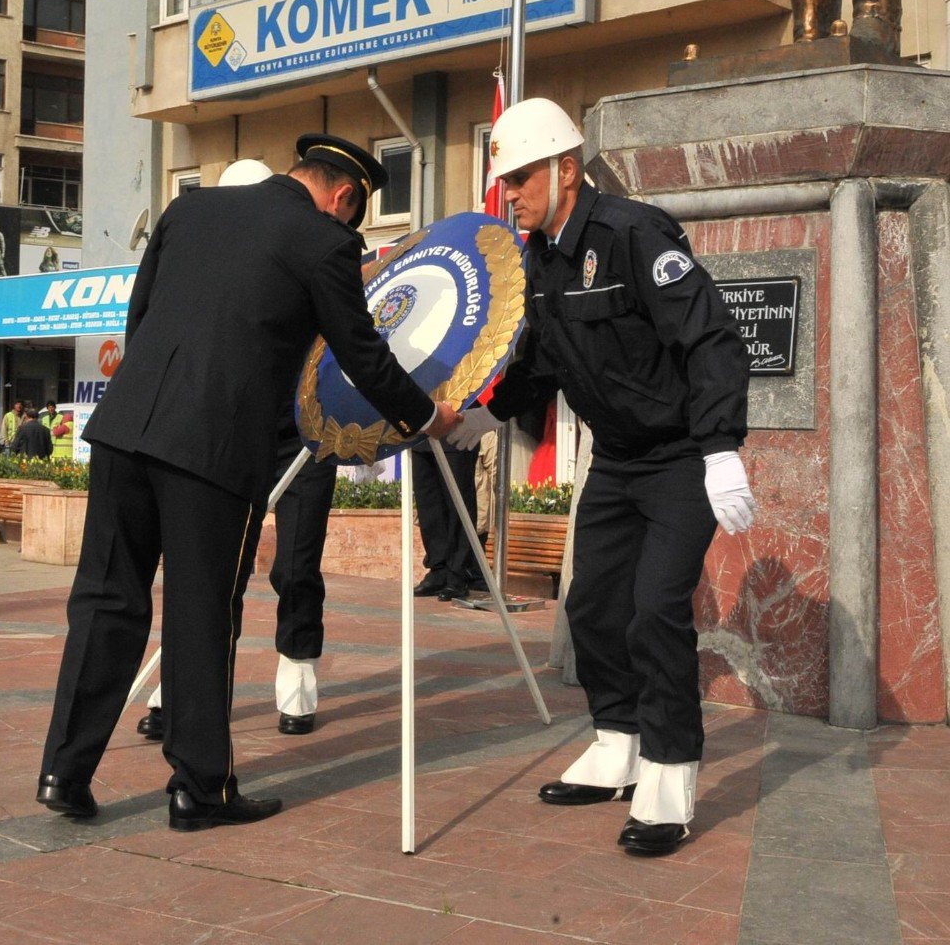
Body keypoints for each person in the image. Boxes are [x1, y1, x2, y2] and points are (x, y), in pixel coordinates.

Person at [37, 133, 461, 832]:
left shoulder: (188, 211)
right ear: (346, 198)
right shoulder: (325, 243)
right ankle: (201, 789)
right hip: (212, 450)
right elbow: (364, 356)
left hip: (126, 428)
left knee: (107, 601)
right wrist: (428, 416)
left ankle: (65, 770)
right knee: (203, 613)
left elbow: (137, 319)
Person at [447, 98, 755, 856]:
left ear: (565, 169)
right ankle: (617, 741)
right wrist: (482, 416)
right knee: (589, 606)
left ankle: (671, 770)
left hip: (681, 455)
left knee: (655, 608)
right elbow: (541, 361)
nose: (508, 194)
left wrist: (720, 447)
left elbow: (710, 336)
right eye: (504, 181)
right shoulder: (541, 259)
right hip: (616, 459)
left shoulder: (635, 234)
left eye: (519, 178)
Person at [135, 158, 337, 742]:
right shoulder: (202, 255)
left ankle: (297, 670)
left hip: (302, 431)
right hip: (228, 430)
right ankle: (182, 685)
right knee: (208, 569)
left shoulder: (300, 246)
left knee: (297, 563)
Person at [411, 438, 481, 601]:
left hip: (456, 430)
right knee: (428, 500)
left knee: (458, 502)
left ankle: (458, 573)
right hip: (422, 431)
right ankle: (438, 570)